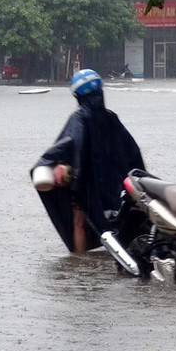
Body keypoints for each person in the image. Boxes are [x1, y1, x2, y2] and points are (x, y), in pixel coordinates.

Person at [31, 69, 145, 254]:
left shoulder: (79, 119)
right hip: (114, 184)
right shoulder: (111, 117)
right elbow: (131, 151)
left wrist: (45, 164)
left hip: (86, 185)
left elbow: (66, 145)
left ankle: (79, 261)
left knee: (79, 221)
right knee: (123, 219)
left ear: (77, 95)